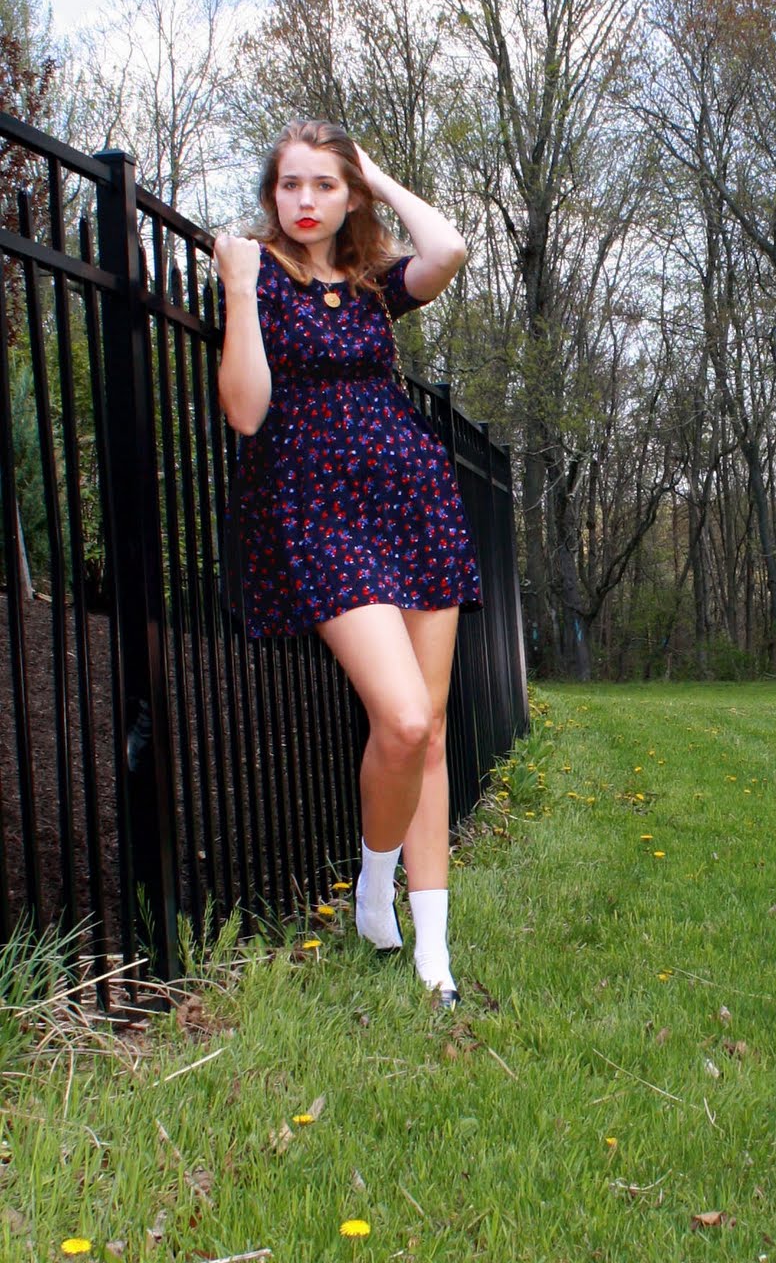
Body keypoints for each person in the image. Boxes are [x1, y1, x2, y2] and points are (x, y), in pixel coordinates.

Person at [213, 120, 481, 1007]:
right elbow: (246, 412)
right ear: (271, 193)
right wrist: (238, 291)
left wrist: (377, 173)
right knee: (401, 719)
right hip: (321, 516)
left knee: (429, 730)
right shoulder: (259, 274)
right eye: (290, 184)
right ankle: (374, 881)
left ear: (349, 195)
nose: (305, 201)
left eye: (324, 185)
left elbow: (448, 250)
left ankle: (434, 956)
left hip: (415, 502)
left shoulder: (370, 283)